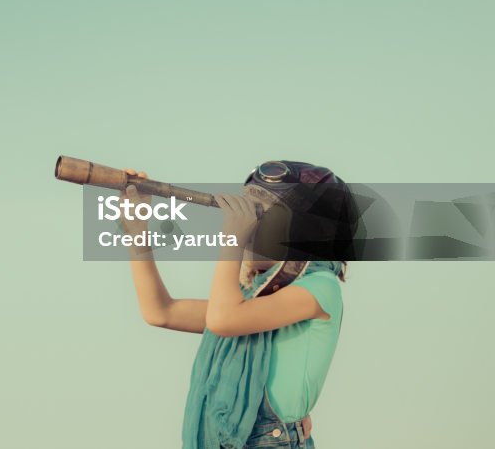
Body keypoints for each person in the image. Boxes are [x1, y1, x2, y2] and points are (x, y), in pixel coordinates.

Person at [120, 161, 357, 449]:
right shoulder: (251, 301)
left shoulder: (321, 287)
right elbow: (160, 311)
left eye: (262, 215)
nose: (251, 228)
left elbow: (223, 320)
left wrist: (231, 239)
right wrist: (137, 230)